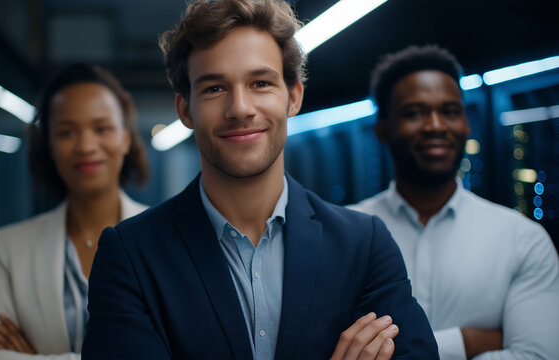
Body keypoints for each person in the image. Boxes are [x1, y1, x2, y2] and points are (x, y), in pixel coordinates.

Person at [82, 1, 438, 359]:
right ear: (185, 109)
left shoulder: (364, 245)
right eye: (214, 88)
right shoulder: (130, 255)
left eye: (260, 83)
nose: (240, 108)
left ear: (293, 97)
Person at [350, 45, 559, 359]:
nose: (435, 126)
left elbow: (537, 357)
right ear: (383, 129)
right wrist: (466, 343)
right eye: (414, 113)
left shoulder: (523, 239)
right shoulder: (342, 234)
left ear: (466, 123)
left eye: (449, 111)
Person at [0, 64, 151, 359]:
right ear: (49, 144)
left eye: (101, 128)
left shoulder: (166, 238)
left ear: (125, 138)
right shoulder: (11, 246)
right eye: (66, 132)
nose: (86, 146)